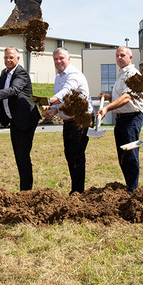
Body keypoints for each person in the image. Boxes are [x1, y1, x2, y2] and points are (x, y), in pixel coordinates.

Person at [0, 47, 40, 191]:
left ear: (18, 59)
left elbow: (13, 90)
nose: (8, 60)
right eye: (6, 57)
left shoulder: (21, 73)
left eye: (11, 57)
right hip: (15, 121)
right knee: (18, 155)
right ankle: (24, 189)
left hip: (26, 120)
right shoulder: (4, 73)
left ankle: (26, 191)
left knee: (23, 156)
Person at [97, 46, 143, 193]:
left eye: (122, 55)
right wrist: (108, 97)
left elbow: (126, 98)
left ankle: (133, 190)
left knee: (130, 155)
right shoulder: (121, 75)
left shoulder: (133, 74)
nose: (119, 58)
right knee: (123, 156)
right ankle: (129, 186)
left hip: (131, 119)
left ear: (130, 58)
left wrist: (106, 108)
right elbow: (120, 97)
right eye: (117, 55)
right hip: (121, 119)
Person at [43, 47, 92, 195]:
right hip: (68, 121)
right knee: (69, 154)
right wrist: (52, 111)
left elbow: (66, 93)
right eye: (55, 59)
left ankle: (78, 191)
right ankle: (75, 190)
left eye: (61, 58)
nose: (58, 61)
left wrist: (50, 101)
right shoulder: (58, 77)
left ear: (69, 59)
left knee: (76, 155)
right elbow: (59, 102)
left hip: (81, 119)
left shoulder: (73, 74)